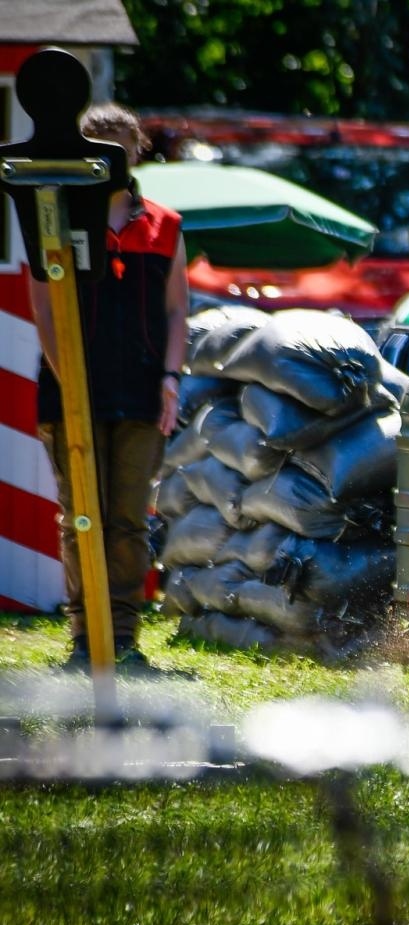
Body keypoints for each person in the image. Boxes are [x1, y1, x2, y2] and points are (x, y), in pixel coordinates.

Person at [29, 102, 188, 669]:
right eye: (98, 151)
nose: (111, 161)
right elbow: (43, 307)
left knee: (126, 521)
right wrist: (69, 378)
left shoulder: (165, 225)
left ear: (138, 149)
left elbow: (177, 311)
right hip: (71, 391)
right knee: (81, 517)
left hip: (143, 390)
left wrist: (171, 378)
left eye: (120, 149)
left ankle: (122, 639)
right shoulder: (54, 218)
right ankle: (83, 639)